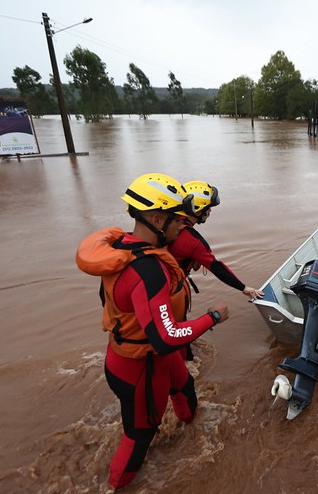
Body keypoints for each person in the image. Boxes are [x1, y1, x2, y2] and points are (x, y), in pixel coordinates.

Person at [76, 173, 231, 490]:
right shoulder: (148, 270)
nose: (183, 226)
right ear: (158, 219)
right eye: (178, 220)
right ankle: (116, 486)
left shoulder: (123, 246)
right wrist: (213, 317)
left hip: (151, 357)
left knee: (185, 388)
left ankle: (191, 434)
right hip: (139, 367)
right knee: (140, 436)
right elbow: (165, 337)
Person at [168, 180, 264, 301]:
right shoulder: (194, 241)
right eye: (208, 208)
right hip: (171, 290)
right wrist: (243, 288)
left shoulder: (167, 224)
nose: (210, 212)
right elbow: (216, 267)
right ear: (198, 211)